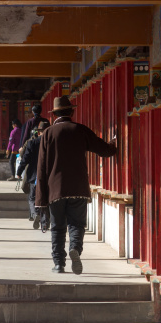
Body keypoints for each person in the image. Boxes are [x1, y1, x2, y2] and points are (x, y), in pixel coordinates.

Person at [36, 95, 117, 274]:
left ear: (54, 114)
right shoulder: (80, 130)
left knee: (57, 227)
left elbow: (41, 169)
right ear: (71, 111)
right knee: (77, 224)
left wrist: (40, 199)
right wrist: (115, 141)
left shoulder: (48, 134)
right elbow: (104, 150)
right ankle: (75, 250)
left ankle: (58, 263)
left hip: (55, 190)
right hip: (79, 188)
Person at [17, 120, 50, 230]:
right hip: (48, 176)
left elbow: (25, 159)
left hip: (34, 176)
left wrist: (18, 172)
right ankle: (45, 222)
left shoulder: (32, 143)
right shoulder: (52, 144)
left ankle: (36, 214)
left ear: (39, 132)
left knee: (32, 198)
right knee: (45, 198)